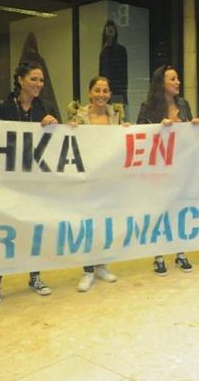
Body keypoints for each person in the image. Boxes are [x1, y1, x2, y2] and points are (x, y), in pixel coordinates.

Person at [0, 61, 59, 306]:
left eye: (41, 80)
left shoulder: (44, 108)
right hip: (6, 181)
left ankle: (34, 276)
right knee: (2, 230)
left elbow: (55, 144)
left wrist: (53, 125)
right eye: (34, 79)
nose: (38, 84)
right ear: (20, 80)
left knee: (33, 227)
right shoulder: (2, 107)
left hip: (34, 182)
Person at [137, 65, 199, 276]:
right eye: (173, 79)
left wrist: (195, 125)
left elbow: (191, 136)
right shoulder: (148, 107)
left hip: (181, 168)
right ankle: (158, 255)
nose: (178, 82)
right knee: (160, 211)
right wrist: (157, 128)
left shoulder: (184, 104)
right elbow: (140, 135)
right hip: (159, 170)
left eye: (178, 78)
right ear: (161, 83)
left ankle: (180, 252)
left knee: (179, 209)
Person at [67, 76, 126, 291]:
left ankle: (101, 264)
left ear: (110, 94)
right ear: (90, 93)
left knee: (104, 222)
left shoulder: (117, 115)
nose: (102, 95)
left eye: (105, 91)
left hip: (109, 178)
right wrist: (70, 129)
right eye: (97, 91)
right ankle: (87, 270)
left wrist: (127, 130)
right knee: (88, 223)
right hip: (87, 177)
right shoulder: (79, 116)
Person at [98, 20, 128, 106]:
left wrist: (123, 94)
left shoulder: (121, 50)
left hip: (118, 92)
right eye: (108, 30)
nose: (110, 33)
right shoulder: (104, 52)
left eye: (112, 30)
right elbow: (102, 74)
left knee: (117, 116)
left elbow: (123, 74)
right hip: (106, 91)